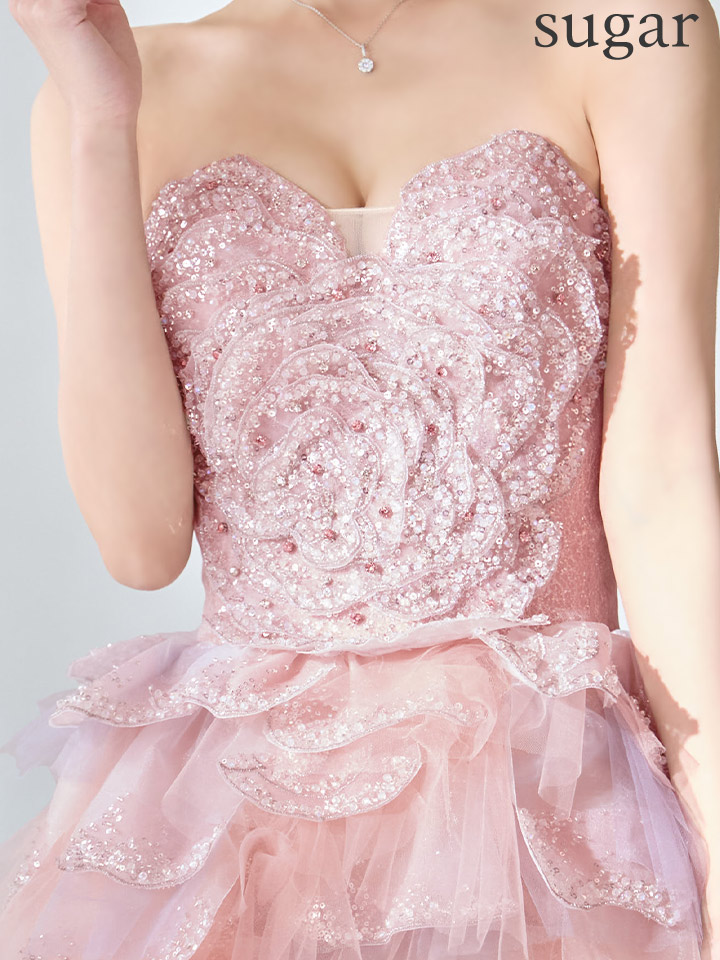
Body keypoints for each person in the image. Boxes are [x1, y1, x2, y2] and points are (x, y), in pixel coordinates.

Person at [1, 0, 719, 957]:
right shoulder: (110, 90)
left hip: (550, 805)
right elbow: (140, 543)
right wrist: (100, 120)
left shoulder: (627, 30)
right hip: (254, 814)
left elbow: (664, 477)